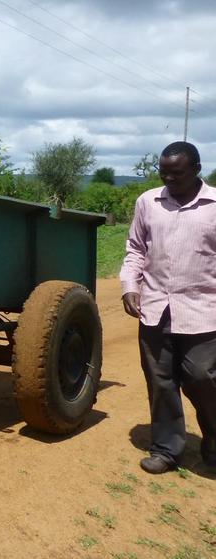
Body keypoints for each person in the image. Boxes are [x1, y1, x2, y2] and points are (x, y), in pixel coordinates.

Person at [120, 140, 216, 474]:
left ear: (196, 170)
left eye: (176, 173)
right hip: (156, 307)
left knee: (202, 377)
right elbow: (135, 248)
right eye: (163, 173)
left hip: (204, 311)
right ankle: (166, 449)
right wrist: (130, 286)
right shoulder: (148, 201)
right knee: (160, 382)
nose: (169, 180)